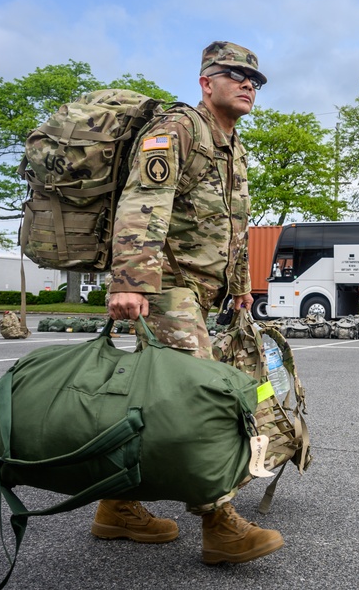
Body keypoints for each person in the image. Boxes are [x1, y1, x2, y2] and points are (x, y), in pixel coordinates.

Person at [91, 41, 284, 565]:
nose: (249, 84)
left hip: (204, 292)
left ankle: (116, 505)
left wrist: (241, 284)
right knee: (205, 399)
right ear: (206, 82)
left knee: (158, 403)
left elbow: (235, 225)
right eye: (237, 75)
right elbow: (143, 200)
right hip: (167, 288)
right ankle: (220, 525)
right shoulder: (176, 128)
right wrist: (130, 281)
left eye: (255, 79)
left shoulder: (233, 144)